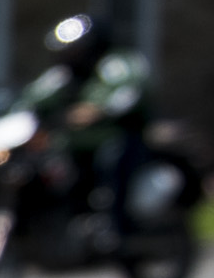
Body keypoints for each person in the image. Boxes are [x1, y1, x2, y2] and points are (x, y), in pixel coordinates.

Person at [23, 12, 150, 228]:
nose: (70, 56)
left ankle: (118, 226)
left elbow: (127, 91)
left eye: (75, 50)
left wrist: (98, 109)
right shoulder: (65, 73)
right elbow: (34, 96)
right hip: (75, 142)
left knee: (112, 165)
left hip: (115, 135)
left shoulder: (117, 63)